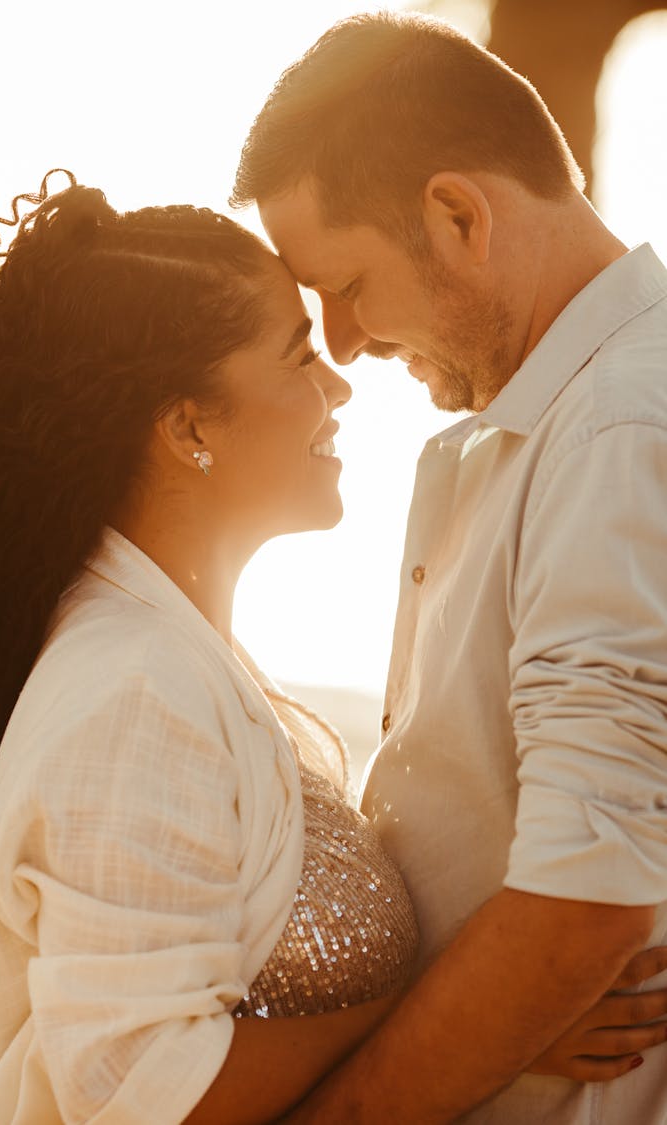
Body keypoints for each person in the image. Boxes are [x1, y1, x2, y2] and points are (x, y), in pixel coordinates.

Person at [0, 176, 663, 1125]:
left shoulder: (186, 661)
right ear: (189, 424)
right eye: (299, 353)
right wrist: (477, 1026)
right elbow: (143, 1088)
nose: (340, 382)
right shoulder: (133, 688)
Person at [230, 10, 667, 1124]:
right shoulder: (564, 421)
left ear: (458, 215)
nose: (340, 344)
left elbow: (585, 899)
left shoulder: (617, 433)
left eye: (346, 284)